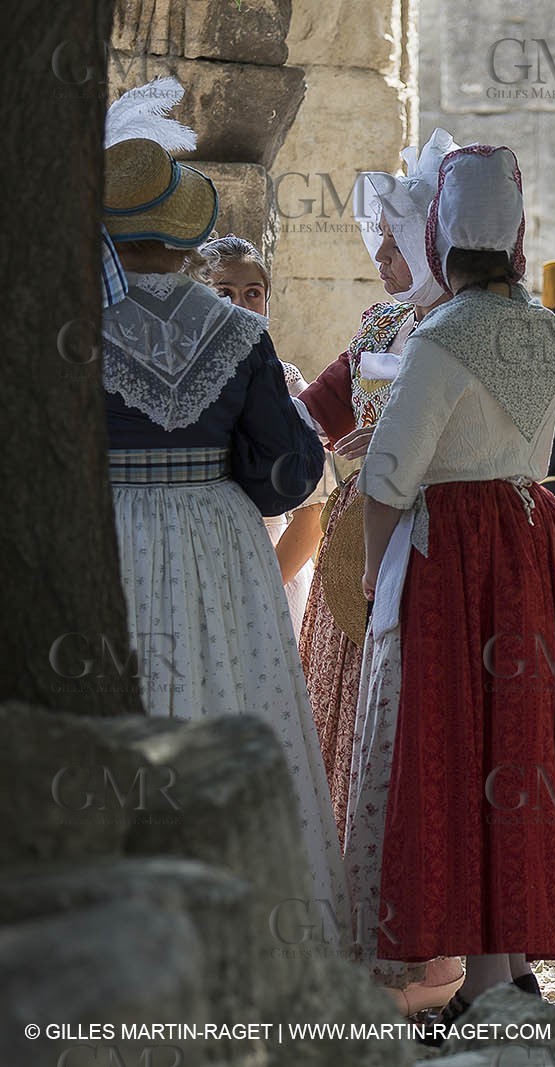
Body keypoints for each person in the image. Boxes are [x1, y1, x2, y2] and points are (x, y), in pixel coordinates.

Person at [342, 144, 555, 1021]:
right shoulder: (546, 326)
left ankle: (481, 981)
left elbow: (390, 476)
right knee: (515, 752)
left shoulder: (439, 336)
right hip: (527, 539)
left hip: (454, 555)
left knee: (455, 749)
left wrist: (371, 583)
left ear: (440, 235)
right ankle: (505, 968)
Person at [100, 137, 345, 931]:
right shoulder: (235, 329)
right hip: (214, 539)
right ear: (180, 234)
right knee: (226, 692)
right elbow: (290, 470)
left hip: (105, 534)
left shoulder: (66, 323)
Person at [296, 129, 459, 846]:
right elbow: (317, 411)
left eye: (394, 248)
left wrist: (399, 449)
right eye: (381, 246)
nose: (381, 261)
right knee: (350, 701)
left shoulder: (462, 331)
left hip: (432, 536)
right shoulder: (381, 325)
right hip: (356, 543)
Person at [195, 234, 329, 632]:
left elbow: (312, 511)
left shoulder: (286, 383)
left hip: (273, 574)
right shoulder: (179, 385)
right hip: (195, 571)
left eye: (253, 293)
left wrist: (257, 590)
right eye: (223, 293)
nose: (240, 306)